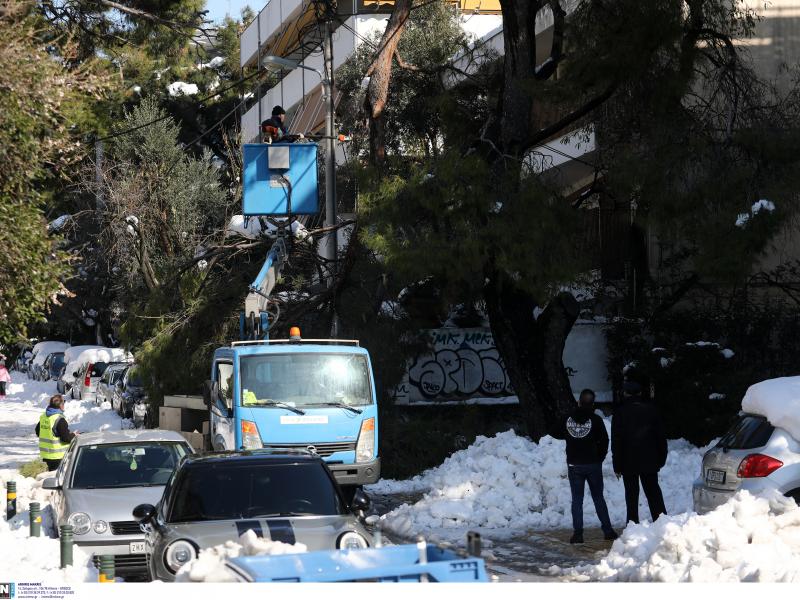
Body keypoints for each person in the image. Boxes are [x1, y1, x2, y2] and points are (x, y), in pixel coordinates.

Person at [563, 389, 618, 544]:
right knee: (598, 497)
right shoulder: (596, 420)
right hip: (593, 464)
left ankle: (578, 534)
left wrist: (569, 437)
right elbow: (605, 440)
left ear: (579, 402)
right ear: (593, 404)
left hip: (574, 464)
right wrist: (599, 457)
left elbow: (555, 431)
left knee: (577, 500)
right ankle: (608, 531)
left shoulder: (568, 419)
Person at [611, 378, 668, 524]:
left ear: (625, 394)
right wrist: (661, 458)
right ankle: (661, 522)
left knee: (631, 495)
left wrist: (617, 465)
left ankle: (632, 523)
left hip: (628, 461)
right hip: (649, 459)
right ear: (641, 393)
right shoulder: (651, 410)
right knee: (653, 492)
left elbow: (616, 441)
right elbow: (660, 436)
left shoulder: (620, 413)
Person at [35, 394, 78, 471]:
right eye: (63, 403)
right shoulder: (59, 419)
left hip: (46, 455)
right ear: (61, 405)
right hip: (58, 456)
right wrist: (74, 435)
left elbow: (37, 431)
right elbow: (66, 438)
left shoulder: (44, 416)